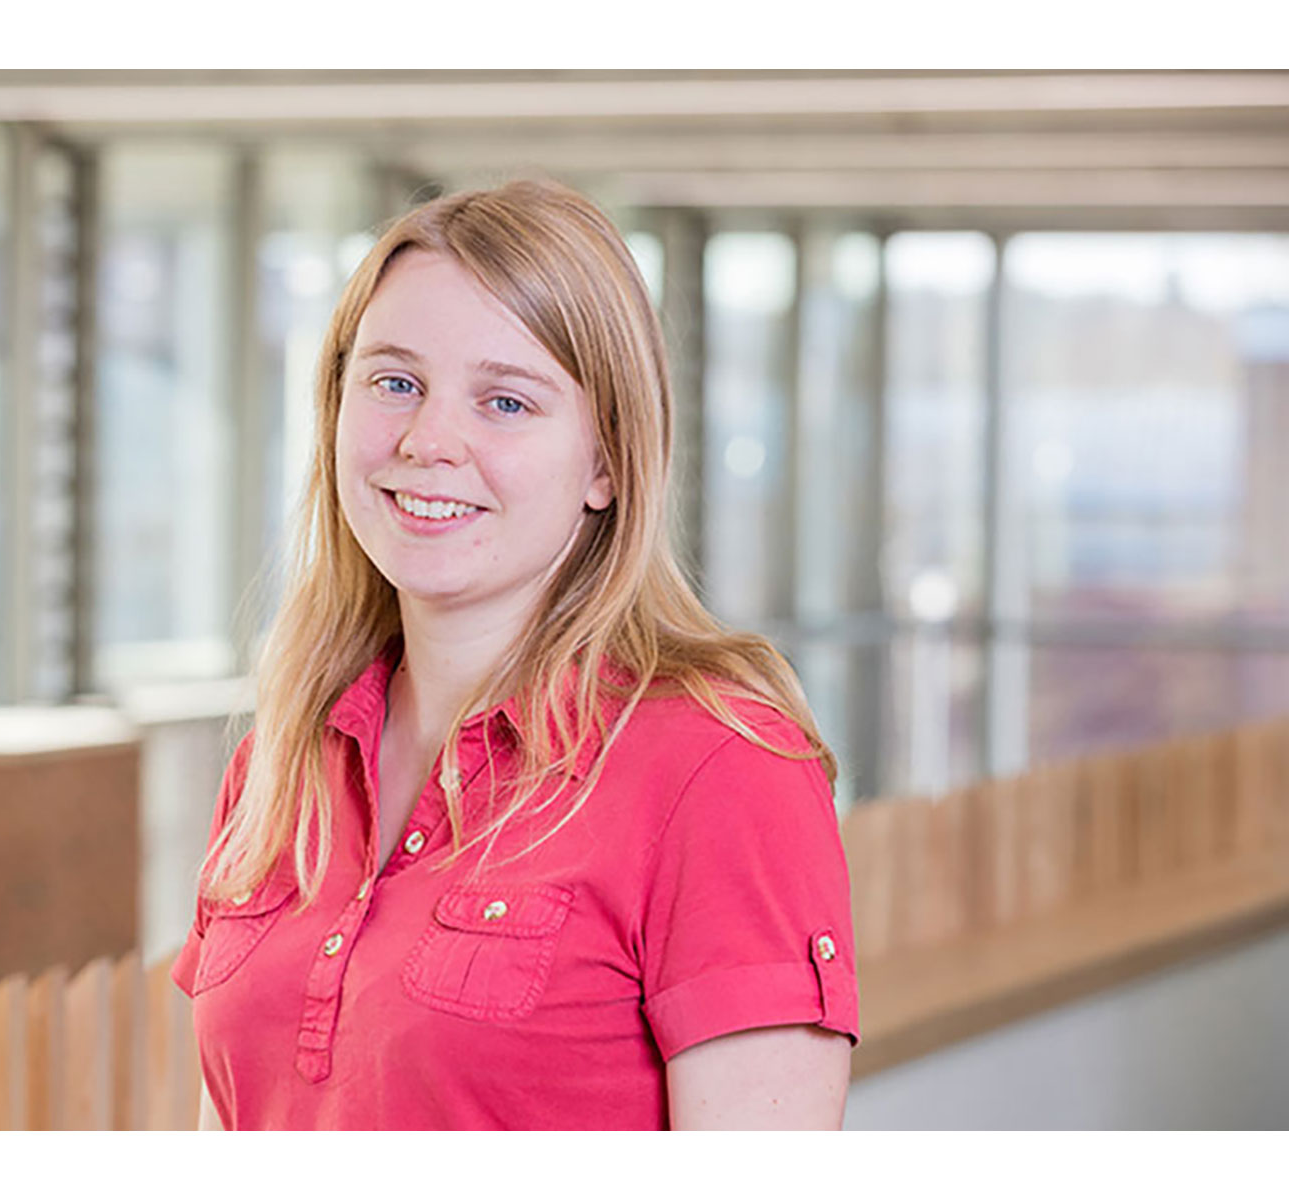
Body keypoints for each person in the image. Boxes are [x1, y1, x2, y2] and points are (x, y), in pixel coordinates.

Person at [170, 179, 857, 1130]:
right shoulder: (279, 764)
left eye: (504, 401)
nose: (428, 441)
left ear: (607, 463)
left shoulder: (720, 770)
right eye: (395, 382)